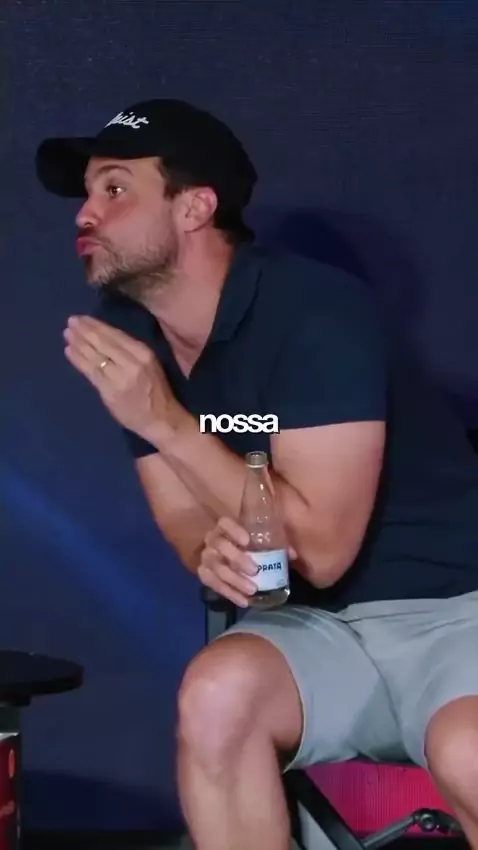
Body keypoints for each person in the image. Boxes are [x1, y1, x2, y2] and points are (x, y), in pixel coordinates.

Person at [36, 98, 478, 850]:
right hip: (311, 630)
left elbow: (322, 549)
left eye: (115, 189)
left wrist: (165, 420)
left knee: (469, 749)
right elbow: (187, 521)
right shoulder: (133, 334)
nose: (86, 213)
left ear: (195, 207)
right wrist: (213, 554)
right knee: (217, 694)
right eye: (87, 192)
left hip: (450, 620)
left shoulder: (315, 311)